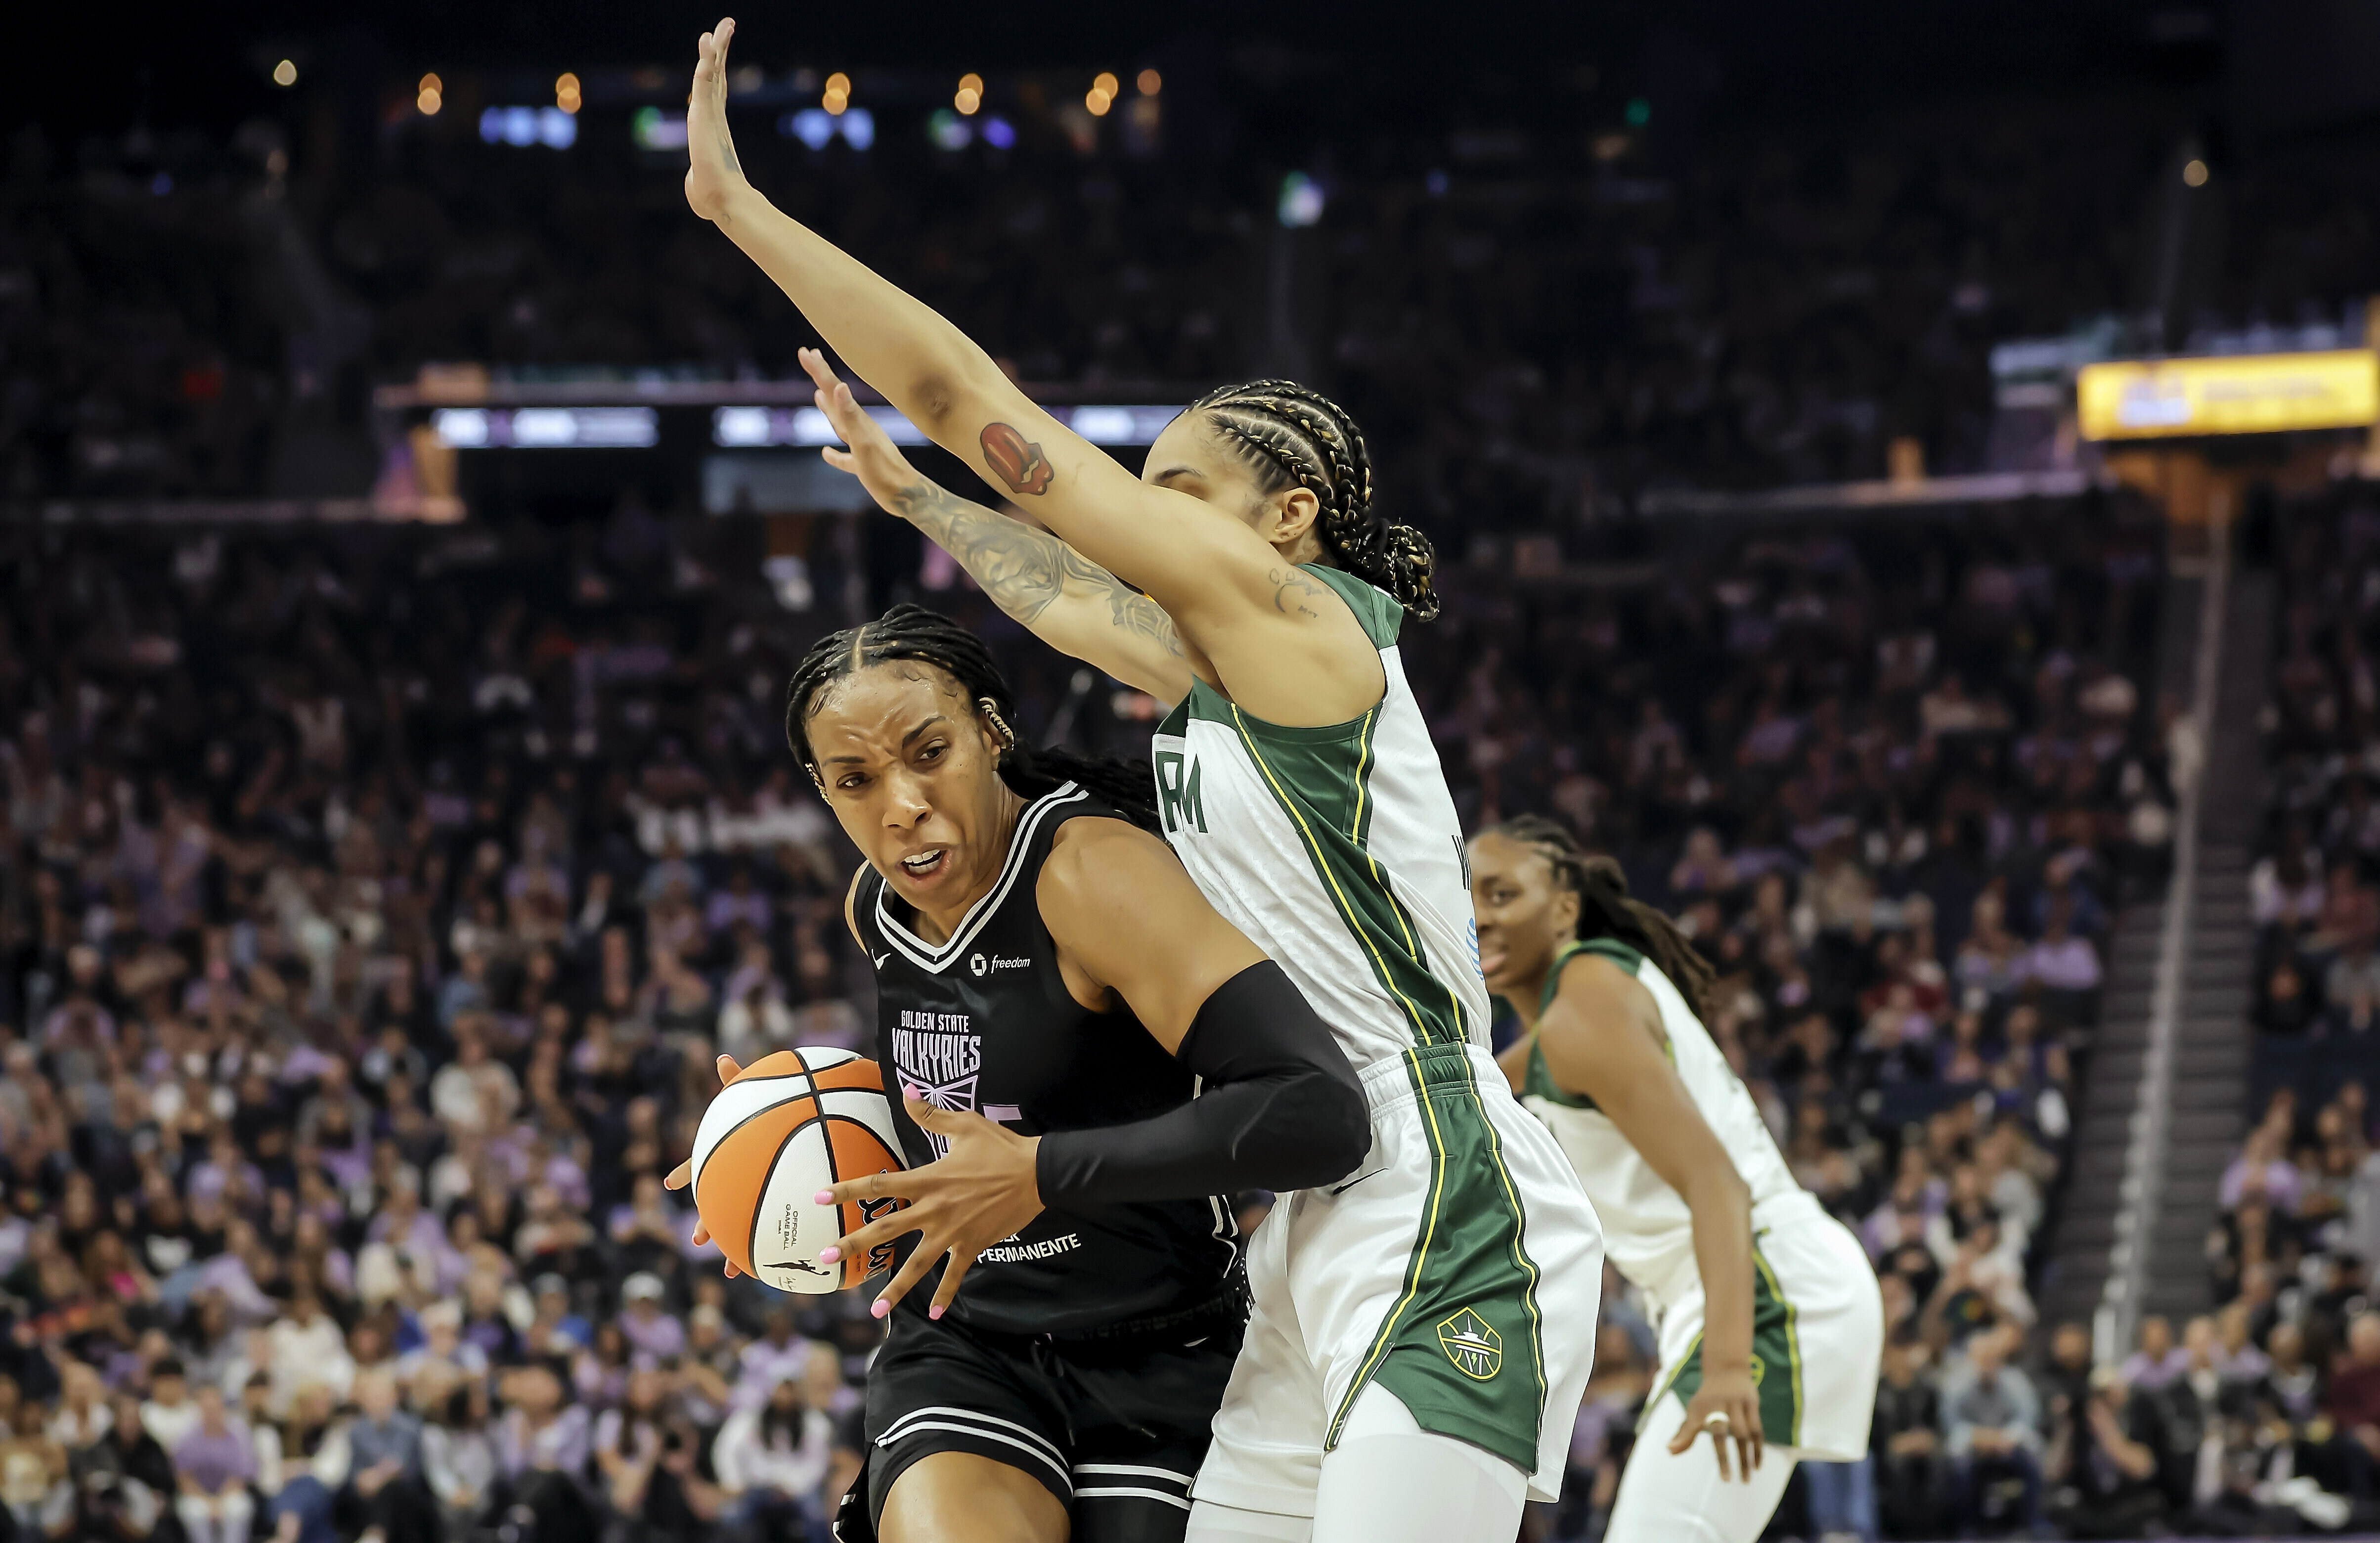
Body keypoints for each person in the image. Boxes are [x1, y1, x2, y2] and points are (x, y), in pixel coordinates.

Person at [682, 27, 1606, 1541]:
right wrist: (912, 496)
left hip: (1432, 1178)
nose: (1138, 520)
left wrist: (745, 217)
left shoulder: (1306, 633)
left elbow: (970, 393)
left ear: (1285, 520)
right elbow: (1049, 583)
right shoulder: (1218, 681)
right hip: (1301, 1209)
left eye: (1171, 493)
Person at [668, 607, 1371, 1543]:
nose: (901, 804)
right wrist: (783, 1155)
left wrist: (1039, 1172)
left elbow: (1318, 1111)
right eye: (856, 780)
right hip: (966, 1341)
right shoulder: (877, 905)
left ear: (992, 732)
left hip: (1163, 1347)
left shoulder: (1093, 878)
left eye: (928, 753)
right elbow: (985, 1094)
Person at [1468, 818, 1884, 1541]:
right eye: (1465, 896)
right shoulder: (1569, 1018)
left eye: (1501, 893)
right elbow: (1491, 1091)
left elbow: (1716, 1182)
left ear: (1565, 905)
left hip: (1763, 1297)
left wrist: (1728, 1366)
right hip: (1743, 1291)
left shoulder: (1584, 1007)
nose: (1477, 915)